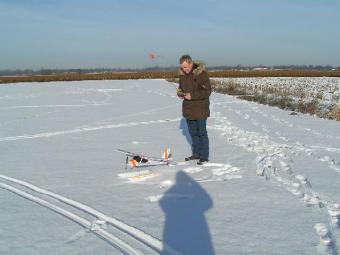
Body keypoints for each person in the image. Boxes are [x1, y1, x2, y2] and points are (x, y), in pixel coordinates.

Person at [177, 54, 211, 165]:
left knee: (201, 133)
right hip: (188, 109)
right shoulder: (182, 75)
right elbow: (181, 88)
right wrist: (180, 93)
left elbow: (207, 92)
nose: (184, 69)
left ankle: (204, 156)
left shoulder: (202, 74)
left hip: (200, 109)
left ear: (191, 63)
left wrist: (192, 95)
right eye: (182, 68)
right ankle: (196, 154)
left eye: (186, 67)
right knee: (193, 133)